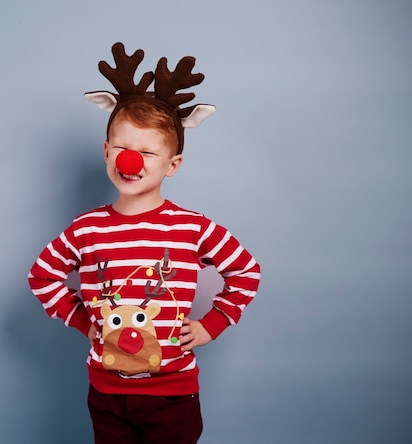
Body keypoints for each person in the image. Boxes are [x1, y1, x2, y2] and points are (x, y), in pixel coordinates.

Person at [28, 42, 261, 444]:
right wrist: (86, 322)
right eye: (121, 148)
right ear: (106, 152)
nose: (129, 161)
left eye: (147, 152)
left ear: (172, 165)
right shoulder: (86, 228)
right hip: (107, 394)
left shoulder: (192, 228)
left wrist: (212, 324)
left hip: (173, 395)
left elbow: (246, 271)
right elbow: (42, 276)